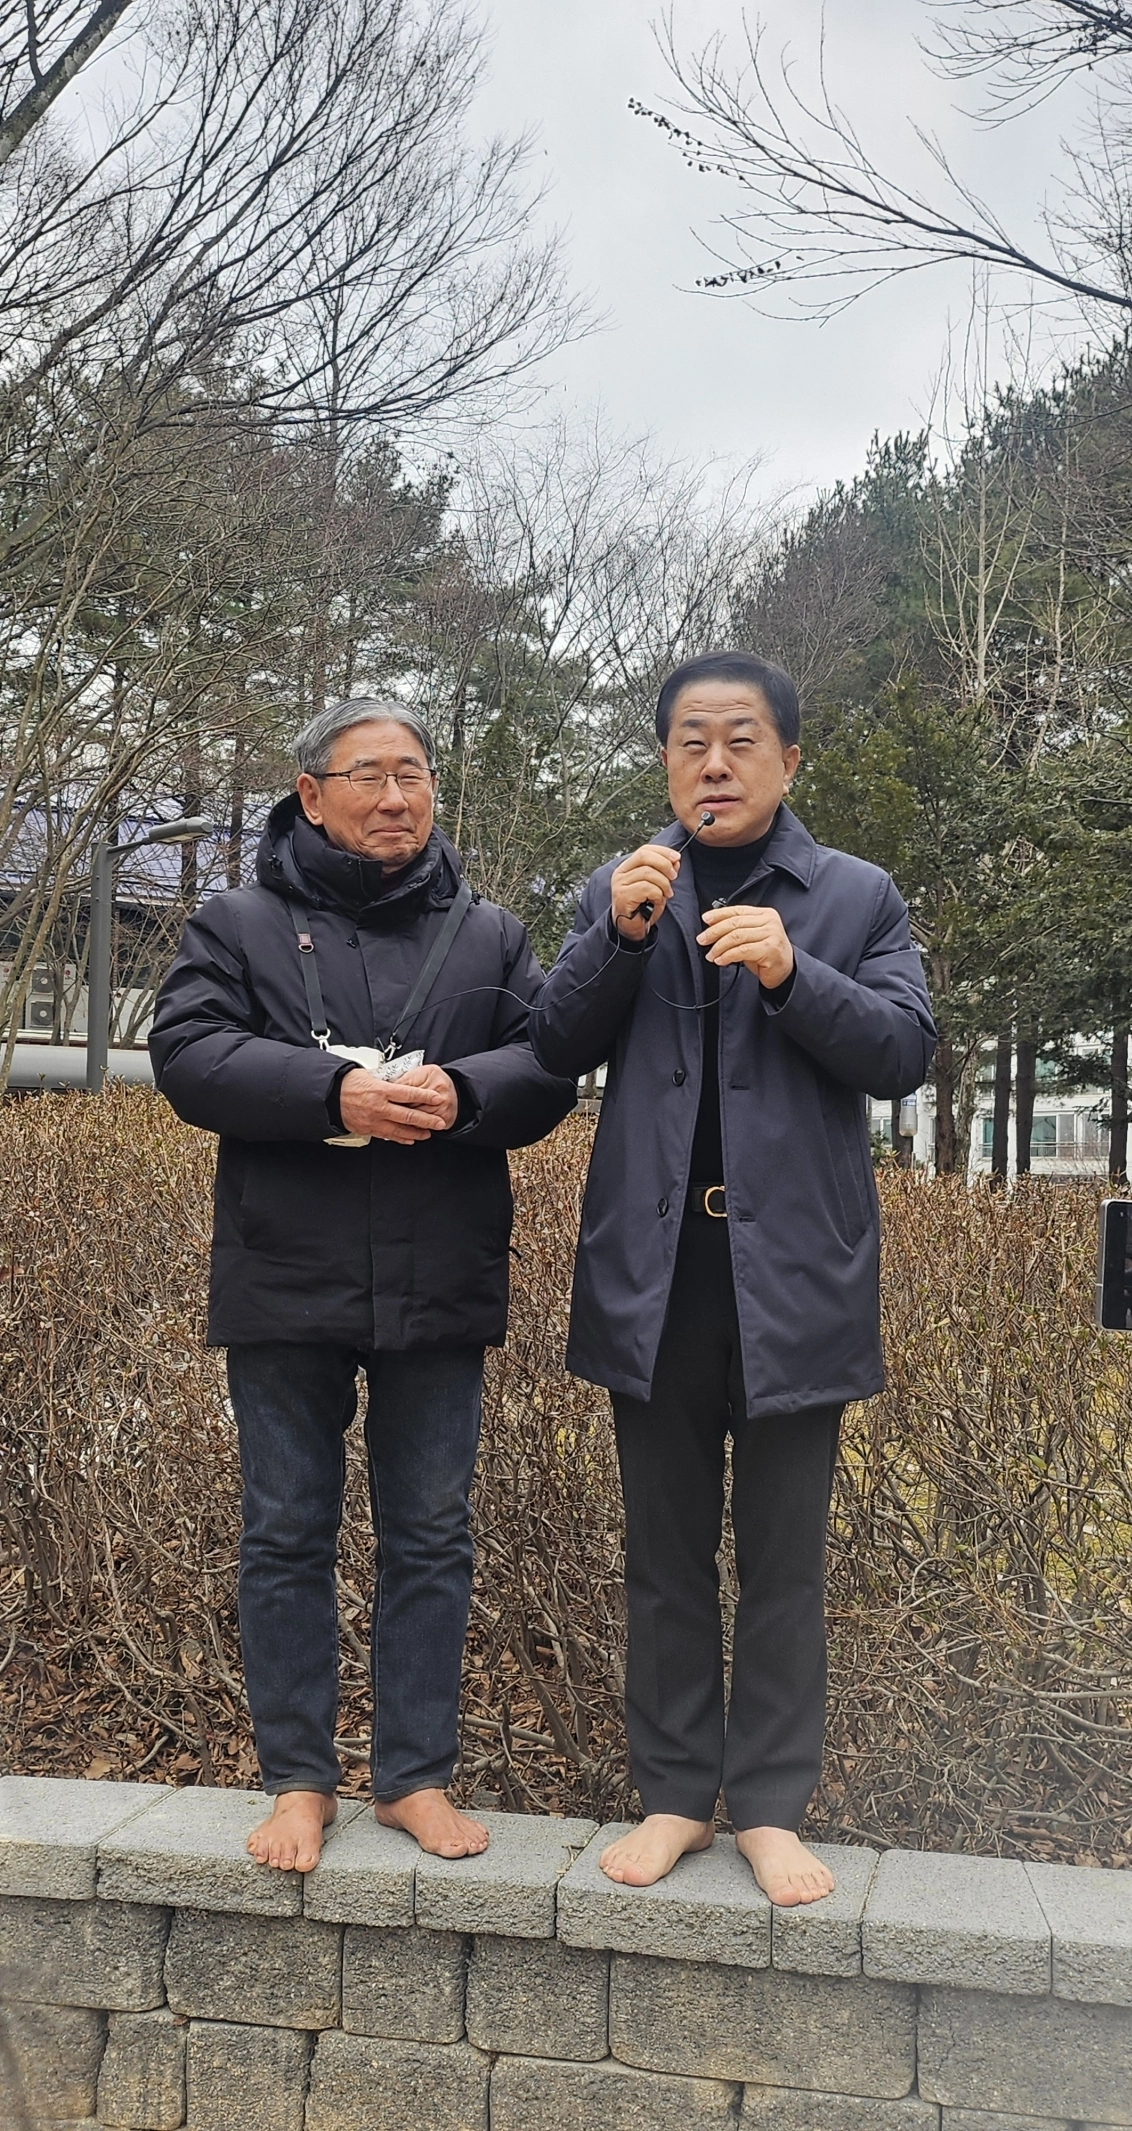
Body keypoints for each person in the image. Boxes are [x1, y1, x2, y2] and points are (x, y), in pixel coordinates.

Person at [530, 651, 936, 1906]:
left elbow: (907, 1050)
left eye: (743, 739)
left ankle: (767, 1805)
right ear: (664, 758)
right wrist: (615, 934)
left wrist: (790, 970)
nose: (716, 761)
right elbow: (550, 1044)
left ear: (789, 759)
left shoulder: (853, 896)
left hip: (793, 1276)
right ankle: (671, 1798)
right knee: (662, 1554)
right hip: (656, 1274)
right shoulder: (619, 888)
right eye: (692, 739)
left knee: (783, 1556)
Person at [150, 698, 577, 1874]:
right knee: (286, 1531)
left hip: (440, 1272)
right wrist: (330, 1094)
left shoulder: (488, 933)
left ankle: (414, 1777)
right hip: (285, 1270)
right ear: (310, 792)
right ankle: (298, 1777)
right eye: (371, 776)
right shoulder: (237, 922)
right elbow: (185, 1055)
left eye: (416, 775)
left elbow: (549, 1062)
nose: (398, 798)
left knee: (431, 1533)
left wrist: (469, 1094)